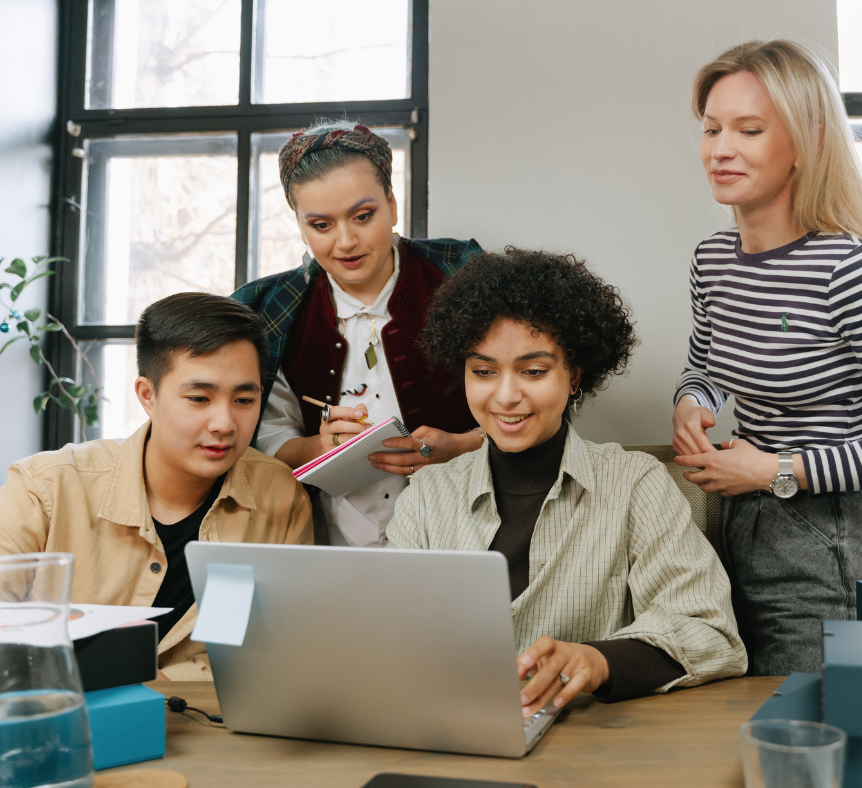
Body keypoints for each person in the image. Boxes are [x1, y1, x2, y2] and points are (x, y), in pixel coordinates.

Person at [671, 40, 862, 676]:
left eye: (749, 130)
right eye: (711, 128)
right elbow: (705, 367)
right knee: (734, 720)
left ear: (806, 142)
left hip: (826, 540)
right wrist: (692, 402)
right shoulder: (713, 259)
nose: (720, 149)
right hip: (734, 525)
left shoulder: (852, 271)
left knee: (813, 725)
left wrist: (774, 470)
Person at [387, 248, 746, 715]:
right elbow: (389, 637)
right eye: (484, 372)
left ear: (573, 375)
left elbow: (711, 633)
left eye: (533, 371)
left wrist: (596, 661)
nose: (506, 396)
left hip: (591, 743)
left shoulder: (635, 484)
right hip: (452, 731)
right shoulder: (428, 496)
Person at [0, 293, 314, 679]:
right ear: (148, 396)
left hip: (207, 713)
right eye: (199, 398)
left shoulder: (280, 497)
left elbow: (274, 649)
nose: (225, 424)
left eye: (244, 400)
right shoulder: (45, 487)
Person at [233, 121, 483, 548]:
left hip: (463, 535)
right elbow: (267, 435)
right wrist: (318, 447)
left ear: (392, 205)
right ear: (300, 226)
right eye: (321, 225)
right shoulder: (270, 308)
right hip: (327, 544)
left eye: (363, 216)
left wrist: (460, 447)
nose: (346, 241)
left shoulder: (461, 275)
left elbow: (528, 399)